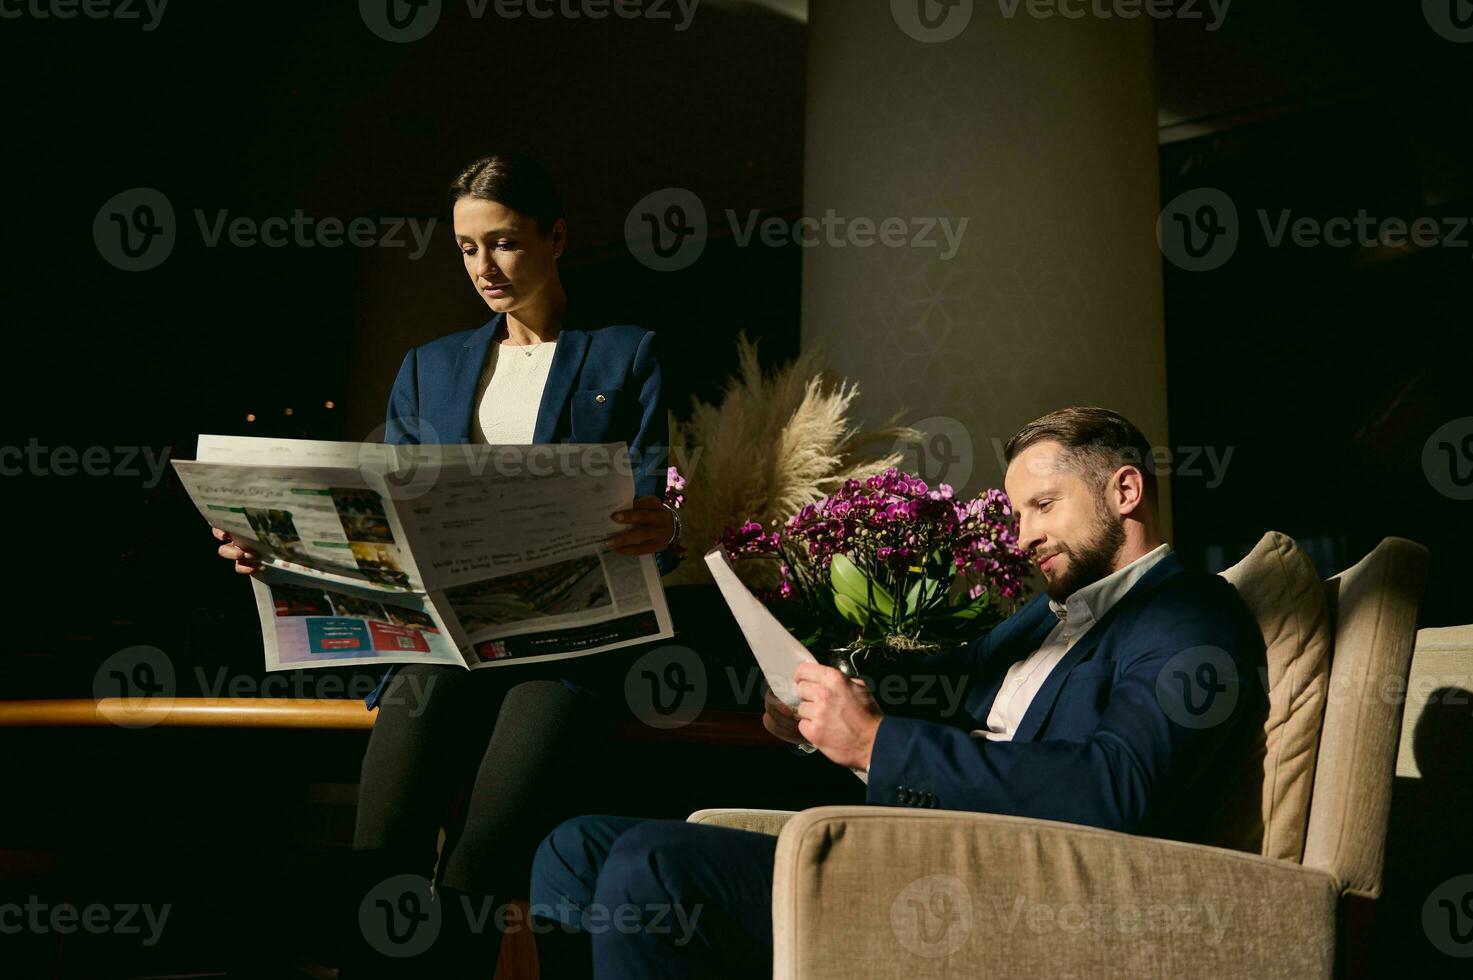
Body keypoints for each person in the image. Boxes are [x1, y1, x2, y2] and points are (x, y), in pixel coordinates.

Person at [528, 406, 1267, 979]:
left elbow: (1119, 789)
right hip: (922, 847)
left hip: (1000, 896)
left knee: (651, 865)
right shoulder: (1045, 621)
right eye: (1013, 515)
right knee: (574, 848)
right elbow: (939, 684)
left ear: (1125, 489)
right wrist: (822, 704)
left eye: (1041, 506)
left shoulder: (1190, 616)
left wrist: (878, 741)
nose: (1019, 537)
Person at [211, 152, 680, 973]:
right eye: (466, 249)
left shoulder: (624, 354)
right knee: (380, 844)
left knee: (478, 863)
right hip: (444, 638)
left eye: (502, 243)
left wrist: (657, 526)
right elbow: (382, 520)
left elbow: (646, 500)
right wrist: (277, 552)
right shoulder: (428, 367)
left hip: (560, 643)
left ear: (555, 237)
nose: (483, 268)